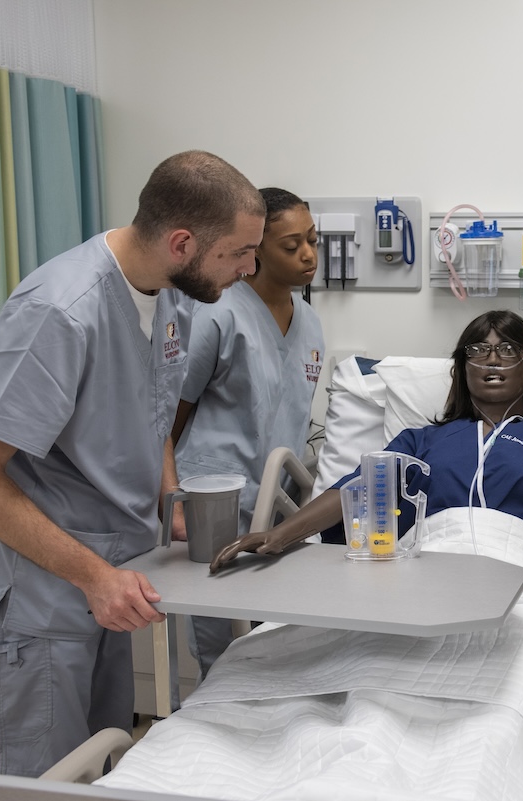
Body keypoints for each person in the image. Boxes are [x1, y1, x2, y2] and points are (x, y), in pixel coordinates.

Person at [0, 150, 265, 777]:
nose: (249, 268)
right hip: (49, 588)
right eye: (238, 252)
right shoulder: (60, 313)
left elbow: (155, 413)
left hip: (115, 574)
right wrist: (93, 576)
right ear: (181, 242)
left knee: (105, 756)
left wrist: (173, 505)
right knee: (46, 773)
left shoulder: (168, 295)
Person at [210, 310, 523, 724]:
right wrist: (279, 535)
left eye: (508, 350)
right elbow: (360, 488)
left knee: (505, 706)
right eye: (478, 350)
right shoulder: (422, 443)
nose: (492, 360)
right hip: (425, 591)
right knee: (373, 702)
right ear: (461, 370)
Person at [167, 187, 325, 678]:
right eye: (291, 244)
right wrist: (171, 499)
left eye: (313, 240)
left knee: (268, 645)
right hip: (212, 506)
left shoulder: (312, 325)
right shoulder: (216, 313)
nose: (308, 255)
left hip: (274, 511)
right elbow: (167, 418)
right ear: (255, 249)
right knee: (218, 650)